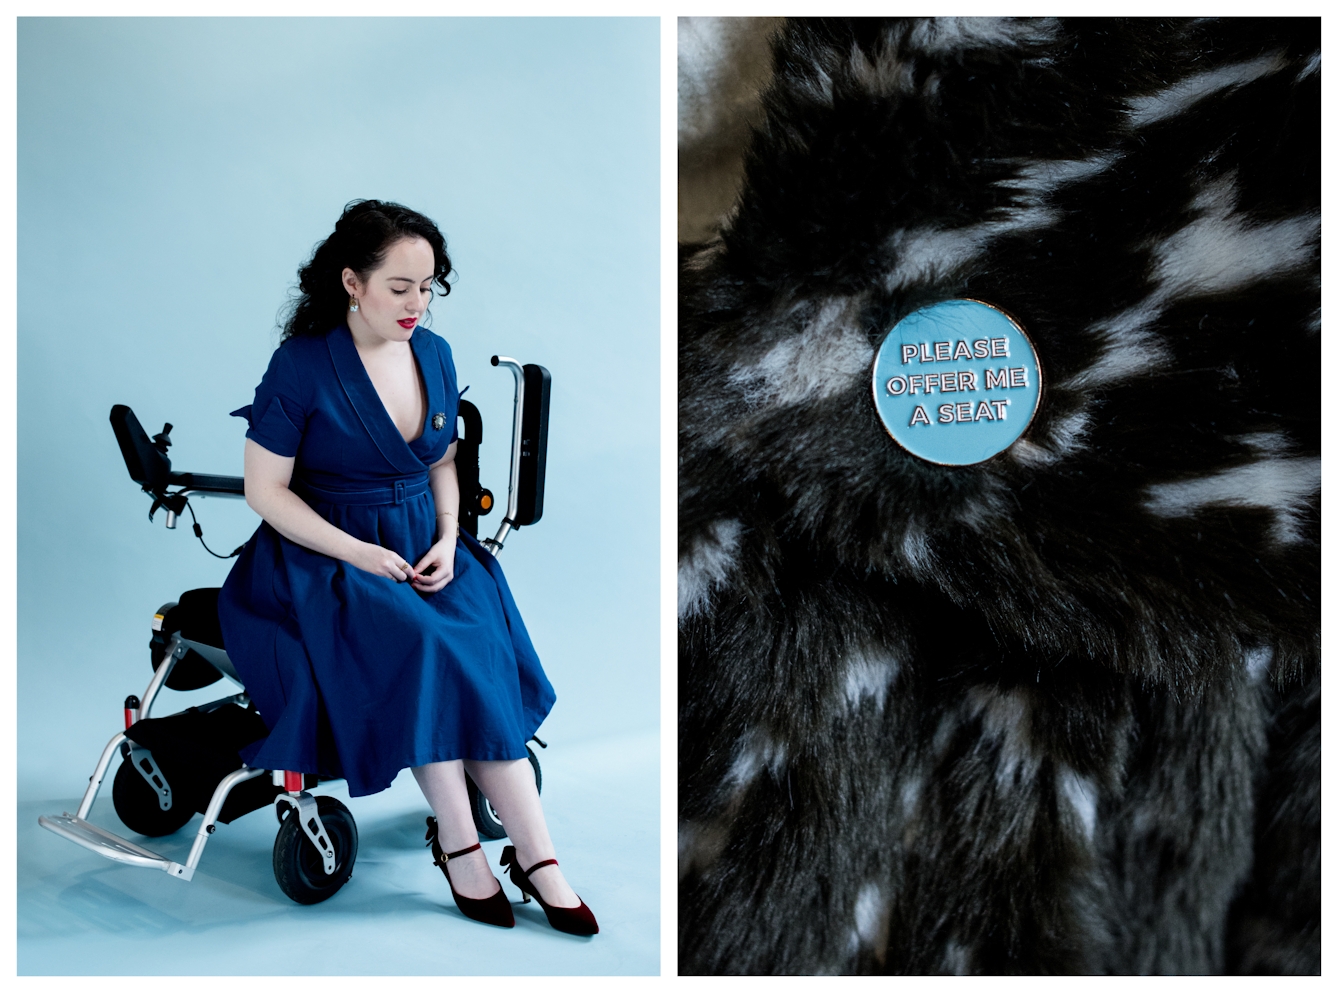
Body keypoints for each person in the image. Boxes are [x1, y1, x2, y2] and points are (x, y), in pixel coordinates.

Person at [217, 199, 597, 935]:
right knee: (425, 649)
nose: (418, 303)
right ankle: (460, 844)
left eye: (430, 287)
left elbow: (443, 459)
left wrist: (452, 534)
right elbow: (265, 492)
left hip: (426, 538)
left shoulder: (435, 352)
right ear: (352, 282)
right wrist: (357, 551)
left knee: (478, 650)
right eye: (401, 287)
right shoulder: (300, 366)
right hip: (322, 554)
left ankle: (539, 856)